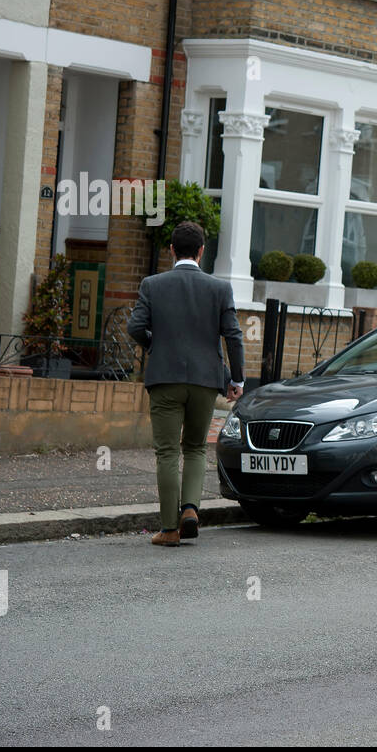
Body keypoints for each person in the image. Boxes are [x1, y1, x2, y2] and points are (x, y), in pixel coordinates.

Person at [127, 222, 245, 547]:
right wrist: (236, 379)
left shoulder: (153, 284)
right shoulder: (220, 289)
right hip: (206, 380)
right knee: (194, 447)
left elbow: (135, 326)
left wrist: (155, 345)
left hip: (165, 378)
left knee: (167, 451)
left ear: (171, 251)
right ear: (202, 251)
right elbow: (233, 336)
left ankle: (168, 529)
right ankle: (190, 509)